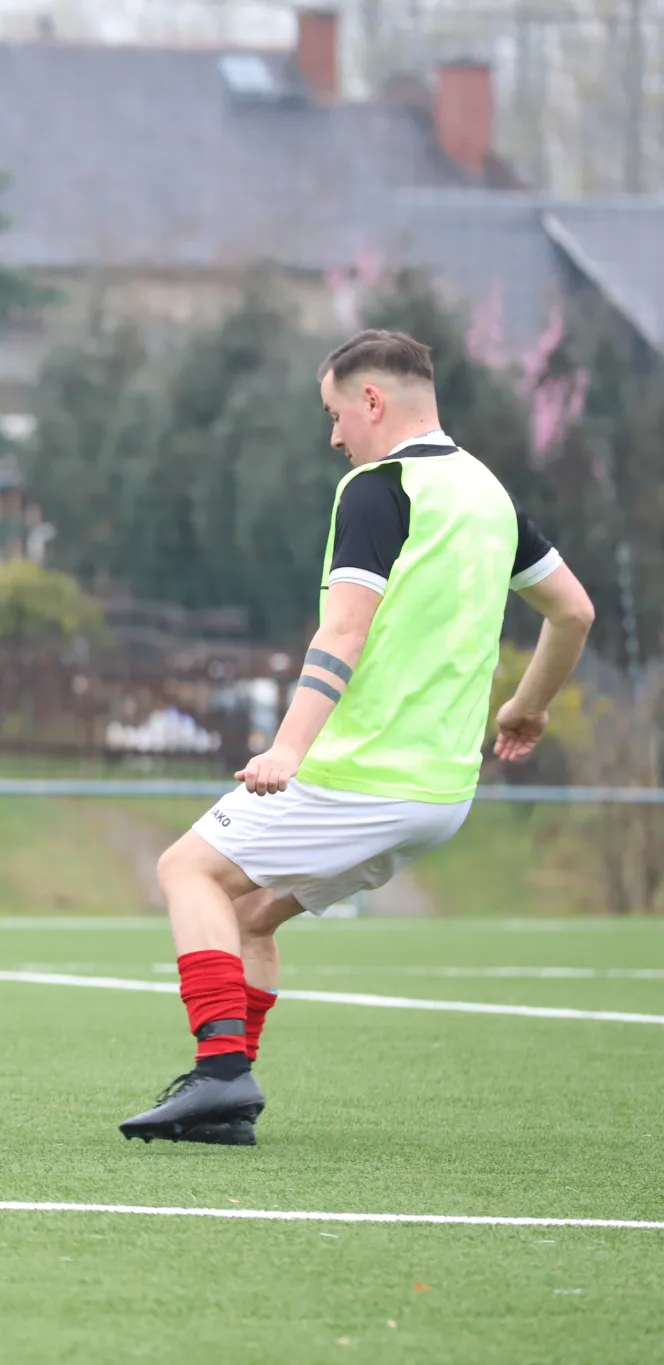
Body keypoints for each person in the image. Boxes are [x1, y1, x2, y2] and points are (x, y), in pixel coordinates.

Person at [120, 329, 595, 1145]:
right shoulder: (487, 493)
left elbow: (342, 630)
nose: (334, 436)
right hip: (442, 794)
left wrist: (287, 748)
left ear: (371, 400)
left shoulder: (380, 487)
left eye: (335, 414)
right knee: (250, 915)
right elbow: (574, 611)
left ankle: (220, 1071)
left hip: (362, 774)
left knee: (185, 868)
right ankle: (225, 1104)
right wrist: (527, 707)